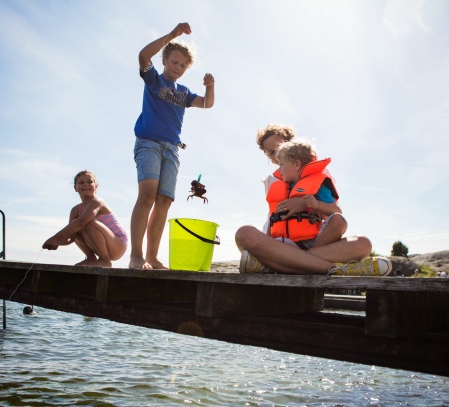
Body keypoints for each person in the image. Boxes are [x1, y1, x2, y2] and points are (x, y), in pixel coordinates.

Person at [236, 124, 391, 276]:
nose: (276, 156)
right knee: (244, 234)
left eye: (279, 148)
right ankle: (339, 269)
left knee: (363, 244)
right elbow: (272, 217)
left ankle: (277, 264)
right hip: (281, 243)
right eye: (271, 153)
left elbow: (336, 213)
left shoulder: (319, 175)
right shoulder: (271, 181)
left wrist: (305, 203)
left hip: (315, 243)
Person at [129, 22, 215, 270]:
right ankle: (137, 256)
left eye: (183, 65)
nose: (177, 68)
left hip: (172, 149)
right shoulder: (154, 80)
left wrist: (210, 86)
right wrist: (172, 36)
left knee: (164, 201)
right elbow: (144, 56)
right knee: (147, 196)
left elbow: (207, 104)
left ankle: (152, 257)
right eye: (174, 62)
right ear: (165, 60)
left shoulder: (185, 92)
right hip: (149, 143)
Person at [43, 170, 128, 267]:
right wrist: (57, 242)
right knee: (74, 228)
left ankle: (105, 261)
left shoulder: (97, 202)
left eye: (89, 182)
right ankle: (90, 258)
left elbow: (82, 222)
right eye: (81, 182)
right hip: (102, 246)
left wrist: (56, 238)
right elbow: (71, 238)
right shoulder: (75, 210)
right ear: (75, 188)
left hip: (118, 245)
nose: (85, 185)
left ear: (96, 187)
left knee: (87, 222)